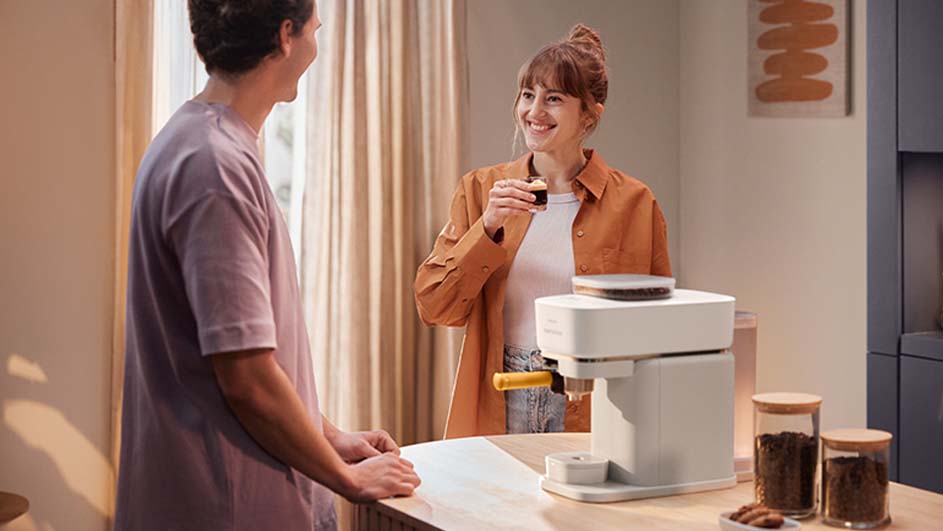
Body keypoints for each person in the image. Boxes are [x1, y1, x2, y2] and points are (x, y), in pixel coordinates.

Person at [114, 1, 419, 529]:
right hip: (223, 505)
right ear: (285, 36)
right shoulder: (215, 166)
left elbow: (245, 359)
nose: (319, 33)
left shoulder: (197, 141)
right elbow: (247, 377)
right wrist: (346, 478)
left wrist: (330, 437)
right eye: (314, 24)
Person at [414, 24, 672, 439]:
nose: (535, 112)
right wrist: (488, 226)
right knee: (502, 502)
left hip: (594, 398)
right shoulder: (481, 191)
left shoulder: (635, 204)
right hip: (503, 390)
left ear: (590, 113)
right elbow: (434, 306)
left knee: (582, 505)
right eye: (528, 95)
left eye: (554, 99)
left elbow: (659, 327)